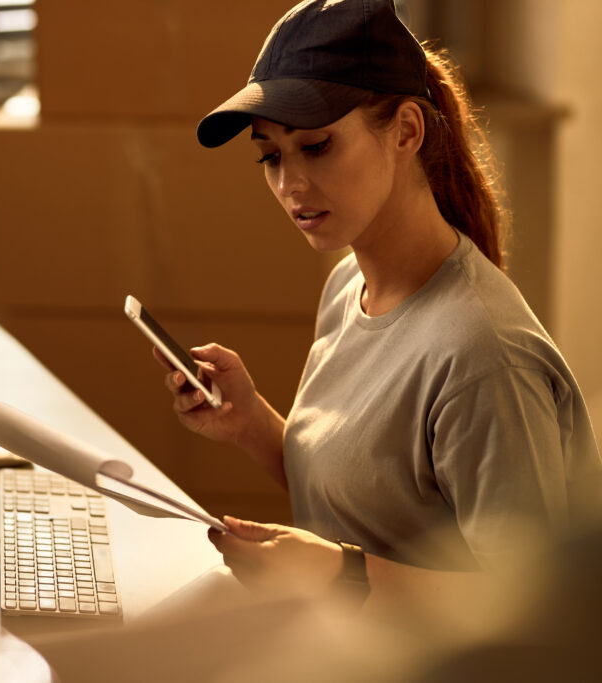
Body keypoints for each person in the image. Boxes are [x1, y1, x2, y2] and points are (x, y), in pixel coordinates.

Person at [159, 0, 602, 612]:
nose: (289, 183)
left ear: (407, 132)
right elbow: (375, 503)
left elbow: (536, 611)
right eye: (270, 155)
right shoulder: (347, 286)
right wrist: (252, 423)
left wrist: (341, 574)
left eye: (315, 146)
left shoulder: (483, 357)